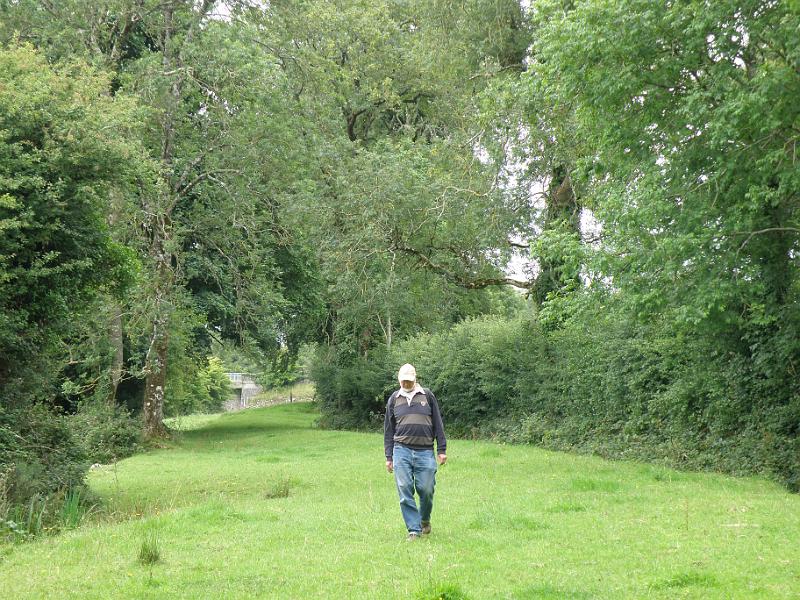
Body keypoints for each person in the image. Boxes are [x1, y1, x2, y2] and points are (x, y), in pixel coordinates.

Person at [383, 363, 447, 541]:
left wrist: (441, 449)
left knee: (426, 489)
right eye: (403, 381)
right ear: (399, 380)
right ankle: (414, 529)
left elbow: (438, 423)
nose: (406, 384)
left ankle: (424, 520)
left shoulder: (427, 396)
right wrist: (389, 456)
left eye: (409, 381)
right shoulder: (394, 399)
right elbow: (389, 430)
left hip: (425, 451)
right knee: (404, 489)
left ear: (415, 379)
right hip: (401, 450)